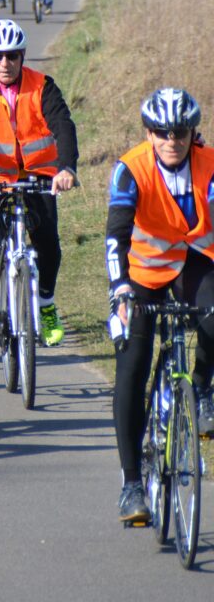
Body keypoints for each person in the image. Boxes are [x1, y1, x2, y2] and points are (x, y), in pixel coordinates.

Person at [106, 88, 214, 525]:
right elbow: (115, 235)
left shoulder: (209, 164)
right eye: (162, 132)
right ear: (149, 133)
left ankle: (203, 390)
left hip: (193, 263)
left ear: (193, 133)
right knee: (131, 369)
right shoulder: (130, 170)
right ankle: (132, 484)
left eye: (181, 132)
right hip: (141, 273)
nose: (172, 140)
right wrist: (120, 289)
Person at [0, 19, 78, 342]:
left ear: (22, 56)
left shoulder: (42, 85)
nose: (4, 64)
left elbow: (63, 125)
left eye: (11, 56)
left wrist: (66, 168)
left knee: (48, 237)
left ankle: (47, 307)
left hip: (38, 174)